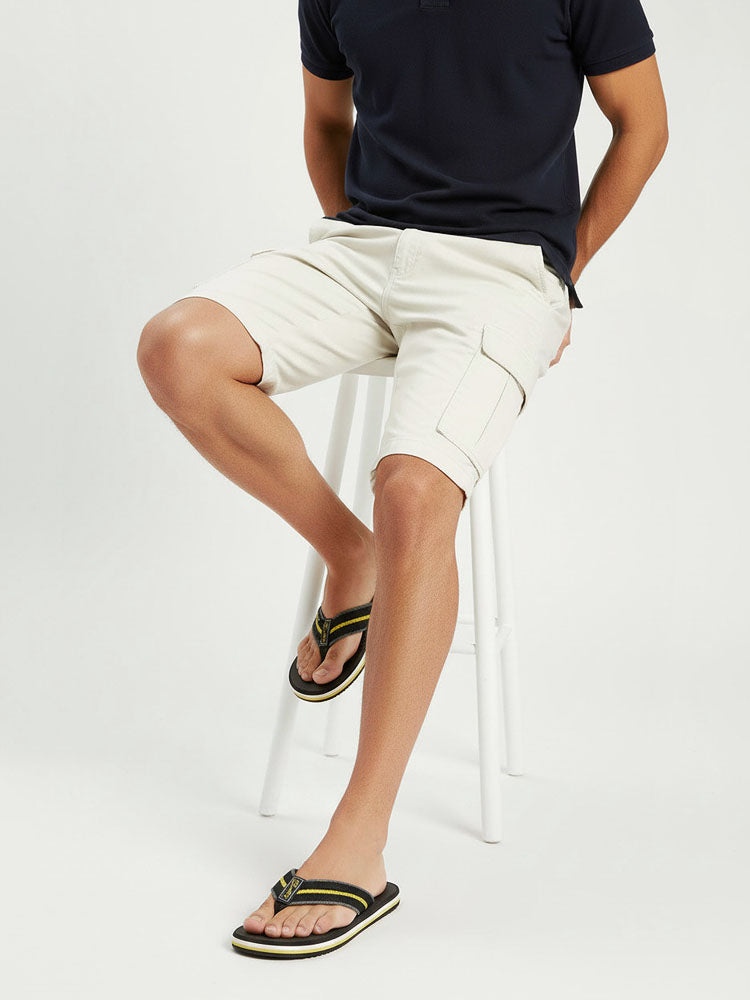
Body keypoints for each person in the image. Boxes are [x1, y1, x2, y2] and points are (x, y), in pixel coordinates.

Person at [137, 0, 668, 959]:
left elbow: (645, 124)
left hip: (503, 269)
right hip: (360, 250)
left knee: (416, 490)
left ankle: (359, 840)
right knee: (178, 348)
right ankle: (353, 557)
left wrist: (563, 272)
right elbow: (326, 120)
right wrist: (355, 236)